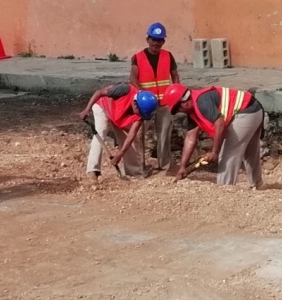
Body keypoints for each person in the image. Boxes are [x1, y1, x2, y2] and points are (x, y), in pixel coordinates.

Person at [163, 83, 264, 187]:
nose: (179, 112)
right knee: (250, 152)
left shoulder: (202, 102)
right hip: (253, 108)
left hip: (246, 111)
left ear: (184, 103)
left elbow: (220, 124)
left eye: (177, 109)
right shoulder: (193, 111)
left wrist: (215, 152)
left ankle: (225, 188)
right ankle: (256, 185)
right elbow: (190, 138)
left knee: (227, 153)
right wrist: (182, 167)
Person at [79, 83, 159, 180]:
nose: (141, 117)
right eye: (141, 114)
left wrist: (120, 155)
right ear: (135, 105)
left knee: (132, 141)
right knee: (100, 133)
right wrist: (87, 110)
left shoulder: (141, 112)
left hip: (118, 117)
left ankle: (133, 172)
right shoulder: (123, 89)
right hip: (103, 107)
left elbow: (131, 135)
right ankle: (93, 170)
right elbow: (99, 93)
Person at [130, 22, 180, 171]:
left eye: (159, 40)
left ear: (163, 42)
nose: (155, 43)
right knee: (139, 135)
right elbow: (133, 78)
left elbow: (175, 77)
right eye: (153, 39)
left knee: (165, 135)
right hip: (146, 104)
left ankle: (164, 167)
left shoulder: (168, 56)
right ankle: (139, 166)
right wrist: (141, 94)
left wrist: (176, 94)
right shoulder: (137, 57)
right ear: (148, 39)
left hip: (164, 103)